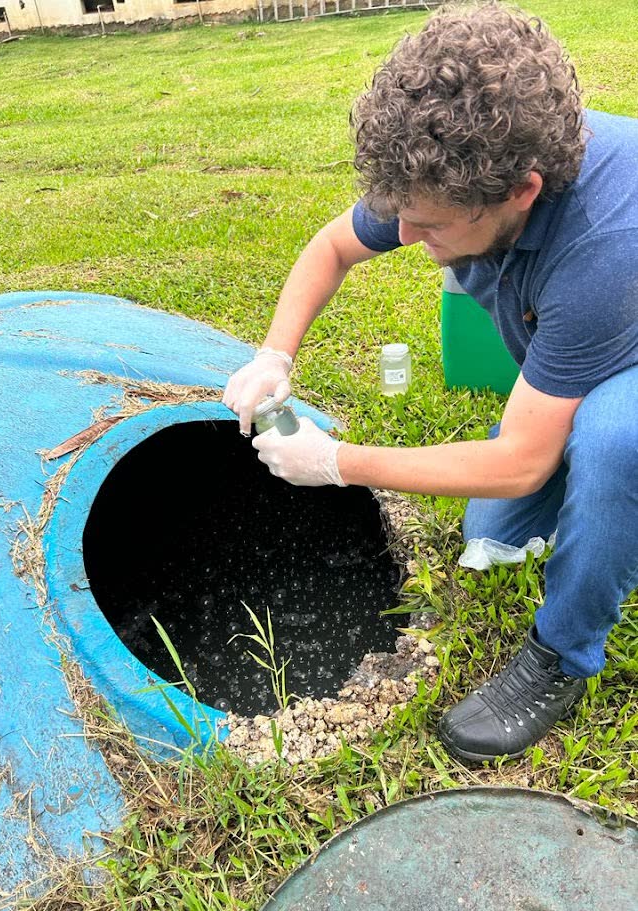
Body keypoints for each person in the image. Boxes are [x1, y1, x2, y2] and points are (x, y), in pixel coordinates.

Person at [222, 1, 638, 764]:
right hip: (587, 329)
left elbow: (519, 463)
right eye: (400, 216)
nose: (406, 239)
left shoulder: (606, 245)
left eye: (432, 226)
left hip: (626, 327)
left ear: (522, 191)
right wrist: (272, 356)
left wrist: (339, 463)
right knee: (491, 529)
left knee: (612, 441)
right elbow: (331, 248)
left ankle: (563, 654)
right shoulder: (447, 175)